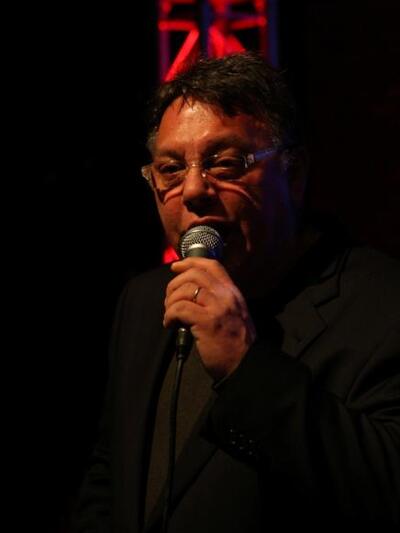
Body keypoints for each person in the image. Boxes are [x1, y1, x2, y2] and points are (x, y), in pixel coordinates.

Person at [72, 52, 400, 532]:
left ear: (293, 173)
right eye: (170, 169)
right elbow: (111, 474)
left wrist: (245, 367)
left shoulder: (382, 303)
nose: (193, 190)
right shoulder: (143, 301)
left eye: (224, 163)